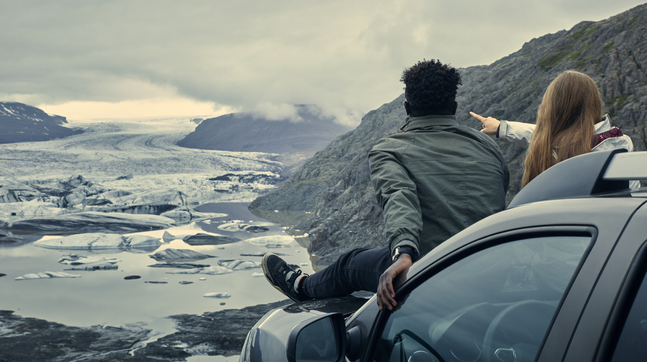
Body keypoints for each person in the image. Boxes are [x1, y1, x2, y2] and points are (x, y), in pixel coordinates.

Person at [262, 59, 510, 311]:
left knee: (349, 264)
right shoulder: (487, 146)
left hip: (428, 265)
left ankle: (300, 286)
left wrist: (404, 253)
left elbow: (398, 196)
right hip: (489, 265)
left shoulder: (389, 149)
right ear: (454, 106)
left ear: (406, 107)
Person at [470, 70, 636, 188]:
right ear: (594, 104)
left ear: (553, 109)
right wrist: (502, 128)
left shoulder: (555, 152)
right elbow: (547, 136)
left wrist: (502, 128)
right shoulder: (620, 143)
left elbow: (546, 137)